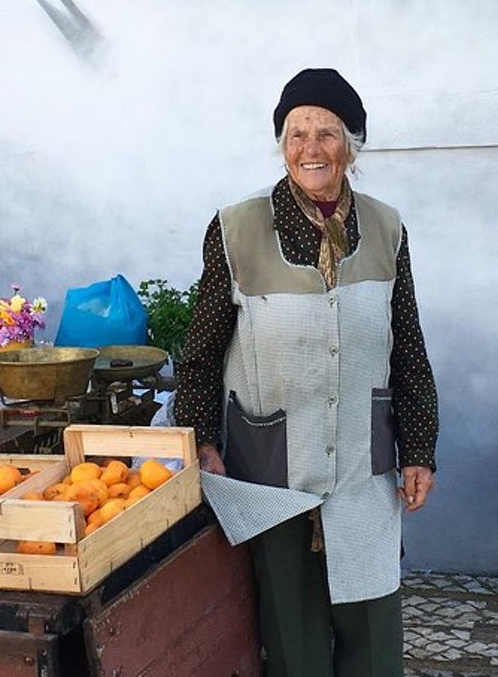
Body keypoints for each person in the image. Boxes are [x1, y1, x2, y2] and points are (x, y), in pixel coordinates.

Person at [174, 68, 438, 676]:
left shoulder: (386, 228)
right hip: (271, 470)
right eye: (296, 133)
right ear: (281, 143)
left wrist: (420, 448)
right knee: (293, 642)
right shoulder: (236, 229)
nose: (310, 148)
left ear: (353, 146)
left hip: (361, 466)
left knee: (373, 637)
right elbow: (203, 349)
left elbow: (409, 350)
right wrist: (203, 440)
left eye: (327, 132)